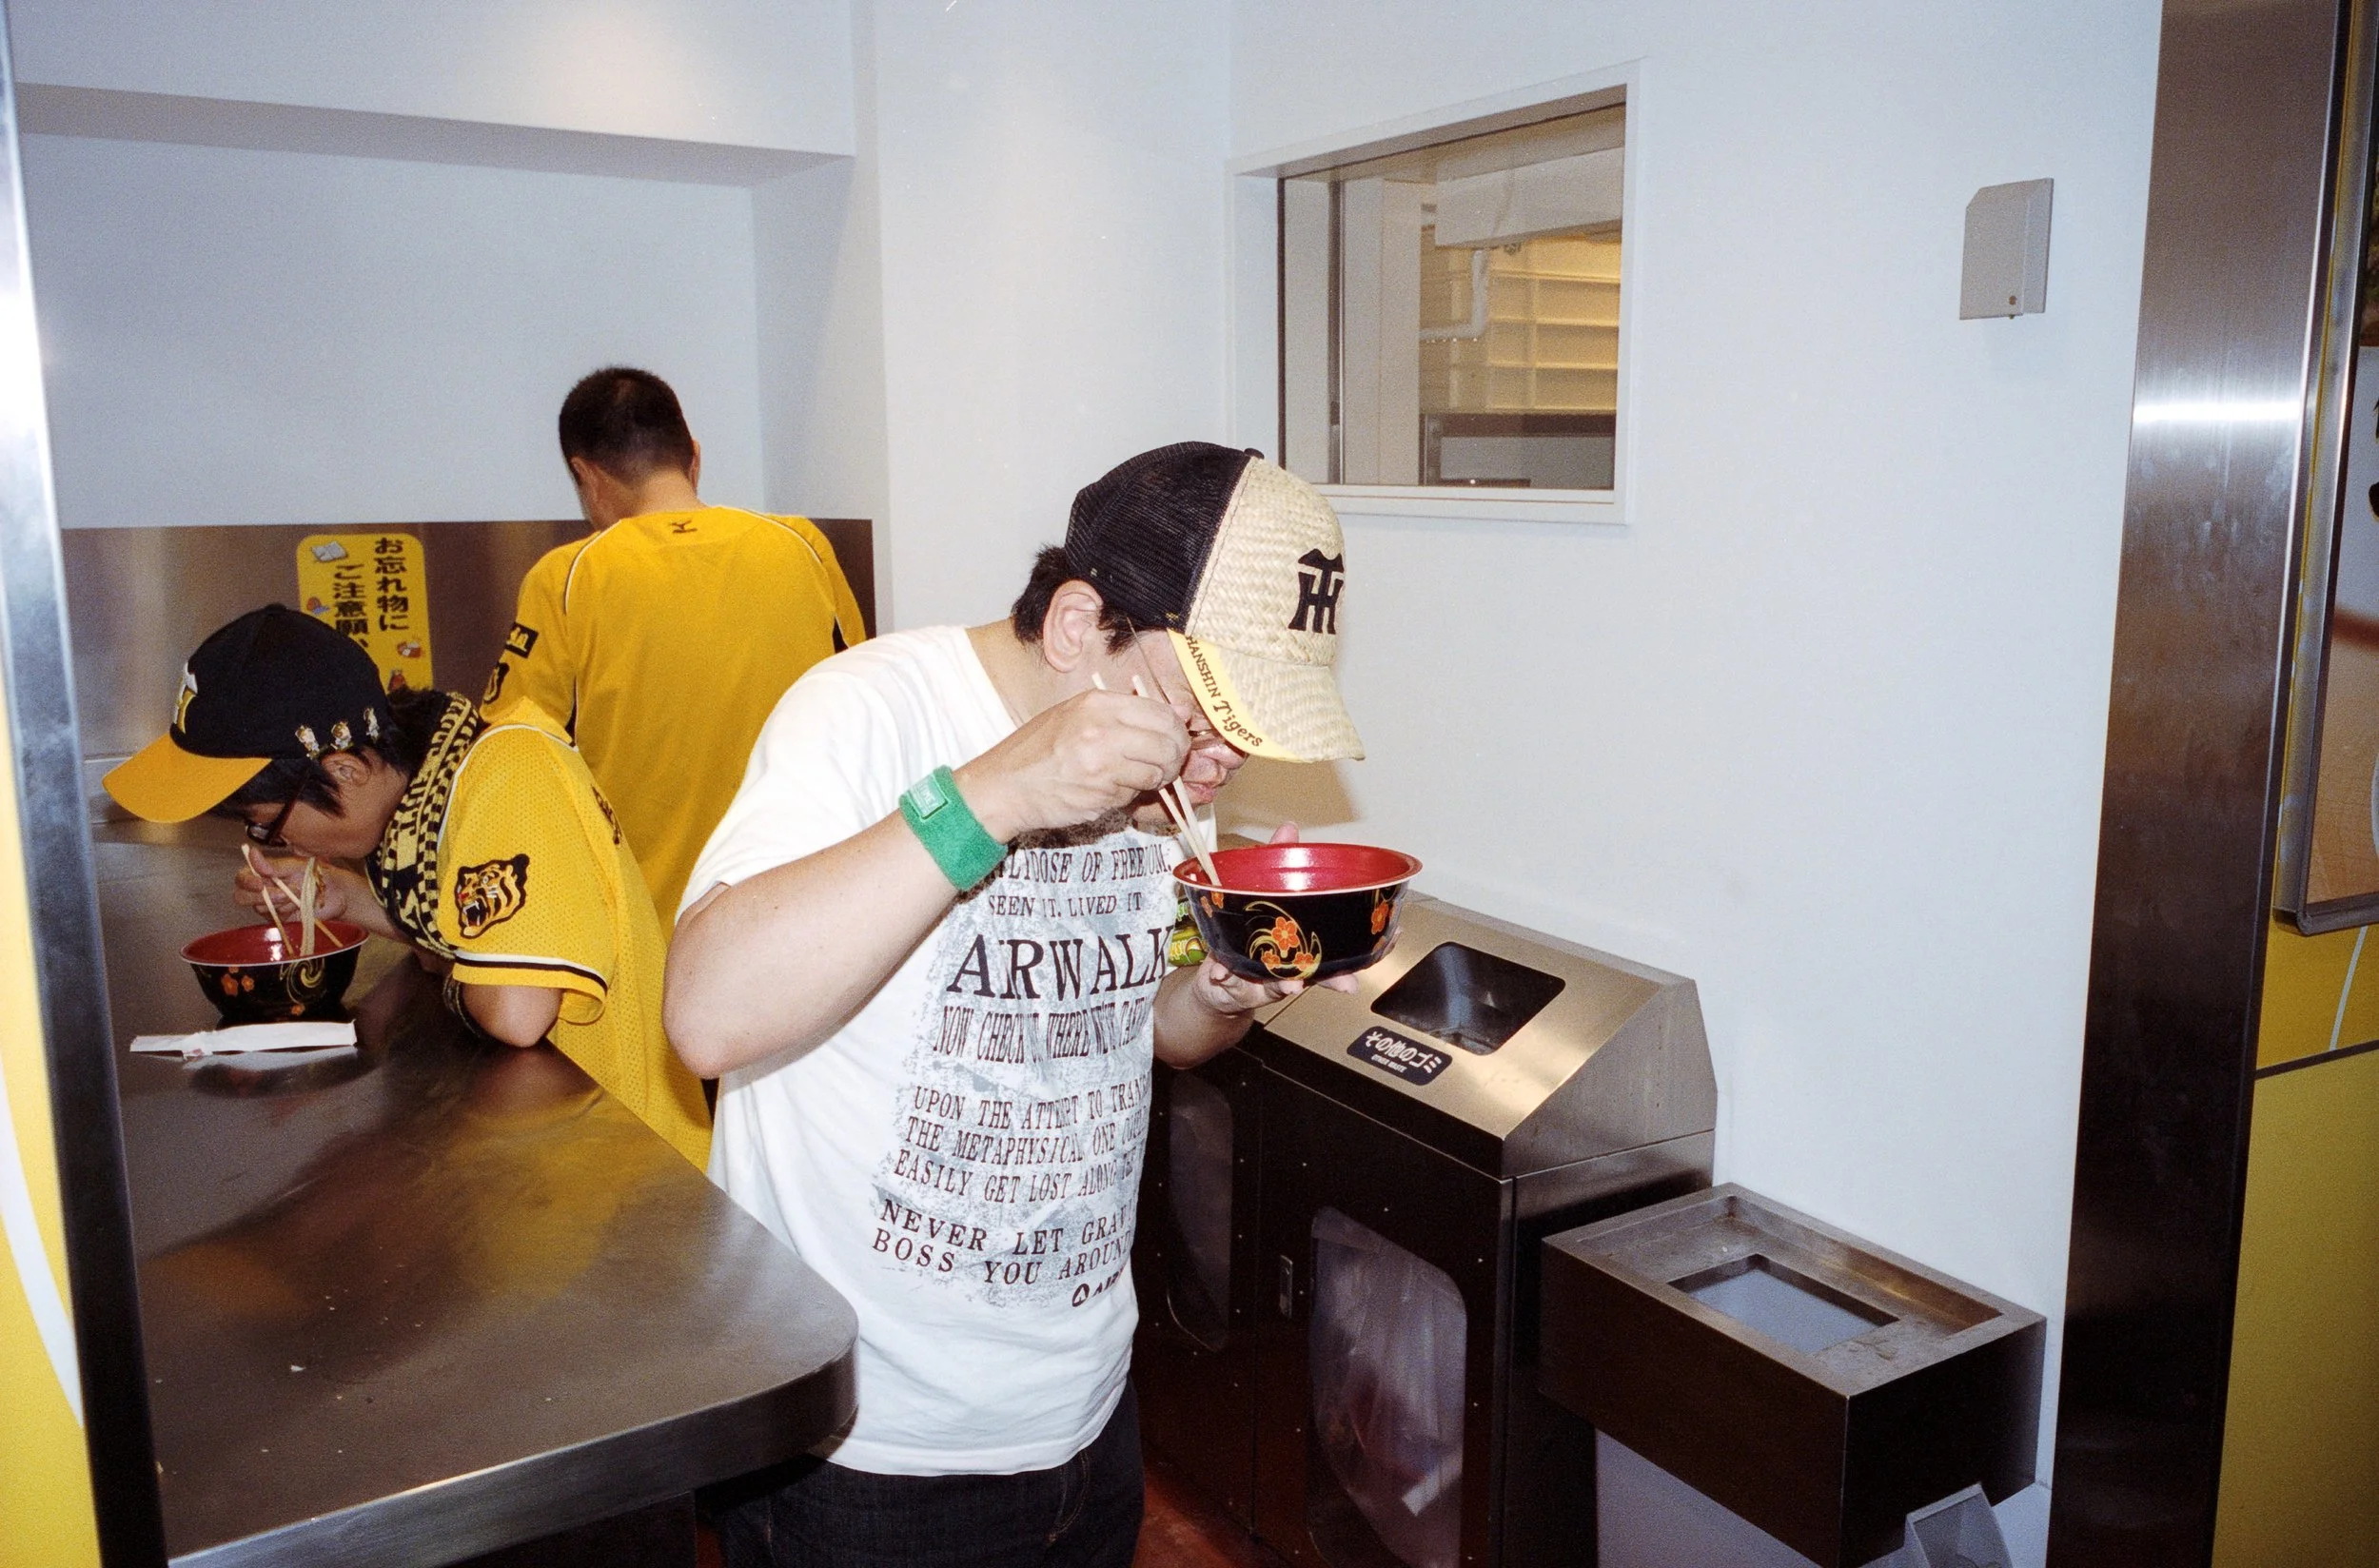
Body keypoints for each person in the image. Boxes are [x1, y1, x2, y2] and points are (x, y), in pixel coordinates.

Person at [666, 441, 1366, 1567]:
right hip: (867, 1445)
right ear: (1080, 625)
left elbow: (1150, 1043)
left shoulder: (1161, 775)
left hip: (1085, 1411)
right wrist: (996, 795)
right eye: (1208, 711)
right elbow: (705, 1011)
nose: (1221, 758)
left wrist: (1222, 994)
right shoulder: (868, 712)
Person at [105, 604, 710, 1169]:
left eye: (265, 822)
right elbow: (444, 942)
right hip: (562, 1153)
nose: (273, 841)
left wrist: (448, 964)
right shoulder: (436, 785)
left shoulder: (509, 775)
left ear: (345, 770)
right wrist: (351, 899)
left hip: (631, 1168)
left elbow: (516, 1011)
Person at [482, 365, 869, 925]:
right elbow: (861, 709)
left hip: (645, 936)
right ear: (693, 455)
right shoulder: (802, 547)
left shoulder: (565, 577)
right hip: (797, 915)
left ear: (584, 474)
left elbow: (511, 754)